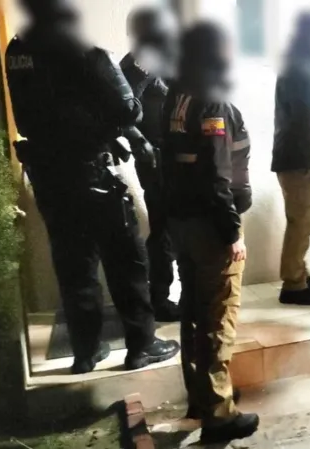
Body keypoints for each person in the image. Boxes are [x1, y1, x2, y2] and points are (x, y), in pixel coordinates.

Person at [5, 0, 180, 374]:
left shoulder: (18, 48)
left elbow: (45, 110)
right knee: (126, 258)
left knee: (74, 263)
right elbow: (128, 108)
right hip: (88, 172)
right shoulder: (83, 49)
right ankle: (142, 345)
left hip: (47, 173)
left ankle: (86, 352)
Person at [161, 22, 258, 443]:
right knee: (218, 318)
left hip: (182, 222)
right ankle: (219, 414)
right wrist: (232, 232)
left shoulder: (176, 94)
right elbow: (217, 177)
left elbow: (170, 162)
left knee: (194, 313)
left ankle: (201, 399)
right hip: (210, 228)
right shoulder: (212, 102)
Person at [121, 6, 181, 322]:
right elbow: (122, 109)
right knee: (164, 229)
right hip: (156, 158)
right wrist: (140, 143)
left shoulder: (160, 59)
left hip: (173, 155)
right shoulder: (139, 62)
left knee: (173, 225)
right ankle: (160, 297)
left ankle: (169, 293)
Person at [272, 11, 310, 306]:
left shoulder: (298, 64)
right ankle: (293, 285)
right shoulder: (303, 69)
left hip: (296, 155)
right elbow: (308, 118)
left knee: (302, 221)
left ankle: (299, 273)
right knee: (302, 221)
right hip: (302, 158)